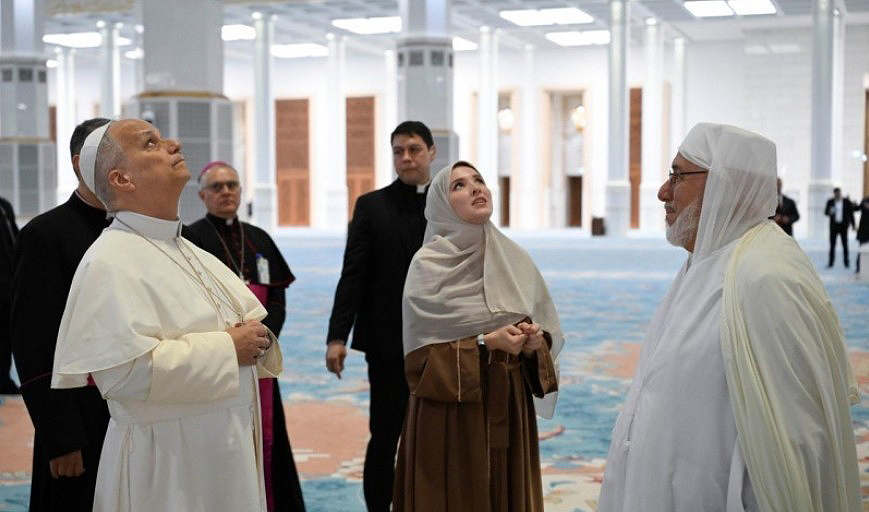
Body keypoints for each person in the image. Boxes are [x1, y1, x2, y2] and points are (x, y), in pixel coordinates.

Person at [598, 123, 859, 511]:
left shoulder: (766, 276)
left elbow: (795, 440)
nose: (662, 192)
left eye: (678, 176)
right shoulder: (703, 262)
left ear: (725, 184)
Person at [50, 118, 281, 511]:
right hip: (167, 463)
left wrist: (249, 340)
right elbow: (122, 373)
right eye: (151, 143)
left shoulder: (188, 250)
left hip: (223, 446)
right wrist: (227, 348)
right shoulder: (110, 261)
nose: (173, 144)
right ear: (122, 179)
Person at [393, 161, 562, 511]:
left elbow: (543, 332)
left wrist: (533, 343)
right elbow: (419, 365)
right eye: (459, 185)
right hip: (450, 413)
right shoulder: (427, 266)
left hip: (508, 401)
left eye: (479, 181)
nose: (475, 189)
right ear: (441, 204)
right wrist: (485, 344)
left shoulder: (515, 259)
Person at [325, 120, 435, 511]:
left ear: (431, 154)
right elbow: (353, 273)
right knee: (386, 433)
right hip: (388, 342)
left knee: (436, 435)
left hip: (439, 342)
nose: (406, 158)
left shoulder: (447, 206)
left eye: (414, 149)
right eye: (398, 151)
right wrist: (336, 337)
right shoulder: (371, 207)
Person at [185, 161, 304, 512]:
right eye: (217, 187)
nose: (226, 193)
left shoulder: (259, 239)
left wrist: (265, 337)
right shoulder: (191, 239)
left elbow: (278, 295)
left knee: (268, 438)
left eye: (232, 186)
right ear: (202, 195)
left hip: (261, 356)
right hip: (220, 355)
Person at [10, 118, 113, 511]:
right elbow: (34, 345)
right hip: (79, 418)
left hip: (136, 410)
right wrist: (62, 437)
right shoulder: (45, 235)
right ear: (78, 162)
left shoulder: (139, 229)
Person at [0, 195, 19, 394]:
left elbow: (14, 243)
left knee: (5, 338)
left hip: (6, 287)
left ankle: (3, 379)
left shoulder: (4, 207)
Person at [825, 187, 856, 268]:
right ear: (834, 194)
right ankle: (831, 263)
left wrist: (853, 225)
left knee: (845, 244)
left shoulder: (846, 202)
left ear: (840, 193)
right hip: (834, 227)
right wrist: (830, 212)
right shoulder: (830, 202)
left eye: (838, 193)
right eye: (836, 194)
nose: (837, 195)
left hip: (843, 226)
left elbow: (851, 214)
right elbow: (826, 212)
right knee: (832, 245)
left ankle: (846, 262)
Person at [856, 195, 869, 273]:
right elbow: (857, 209)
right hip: (864, 231)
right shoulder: (865, 201)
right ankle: (859, 268)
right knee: (861, 250)